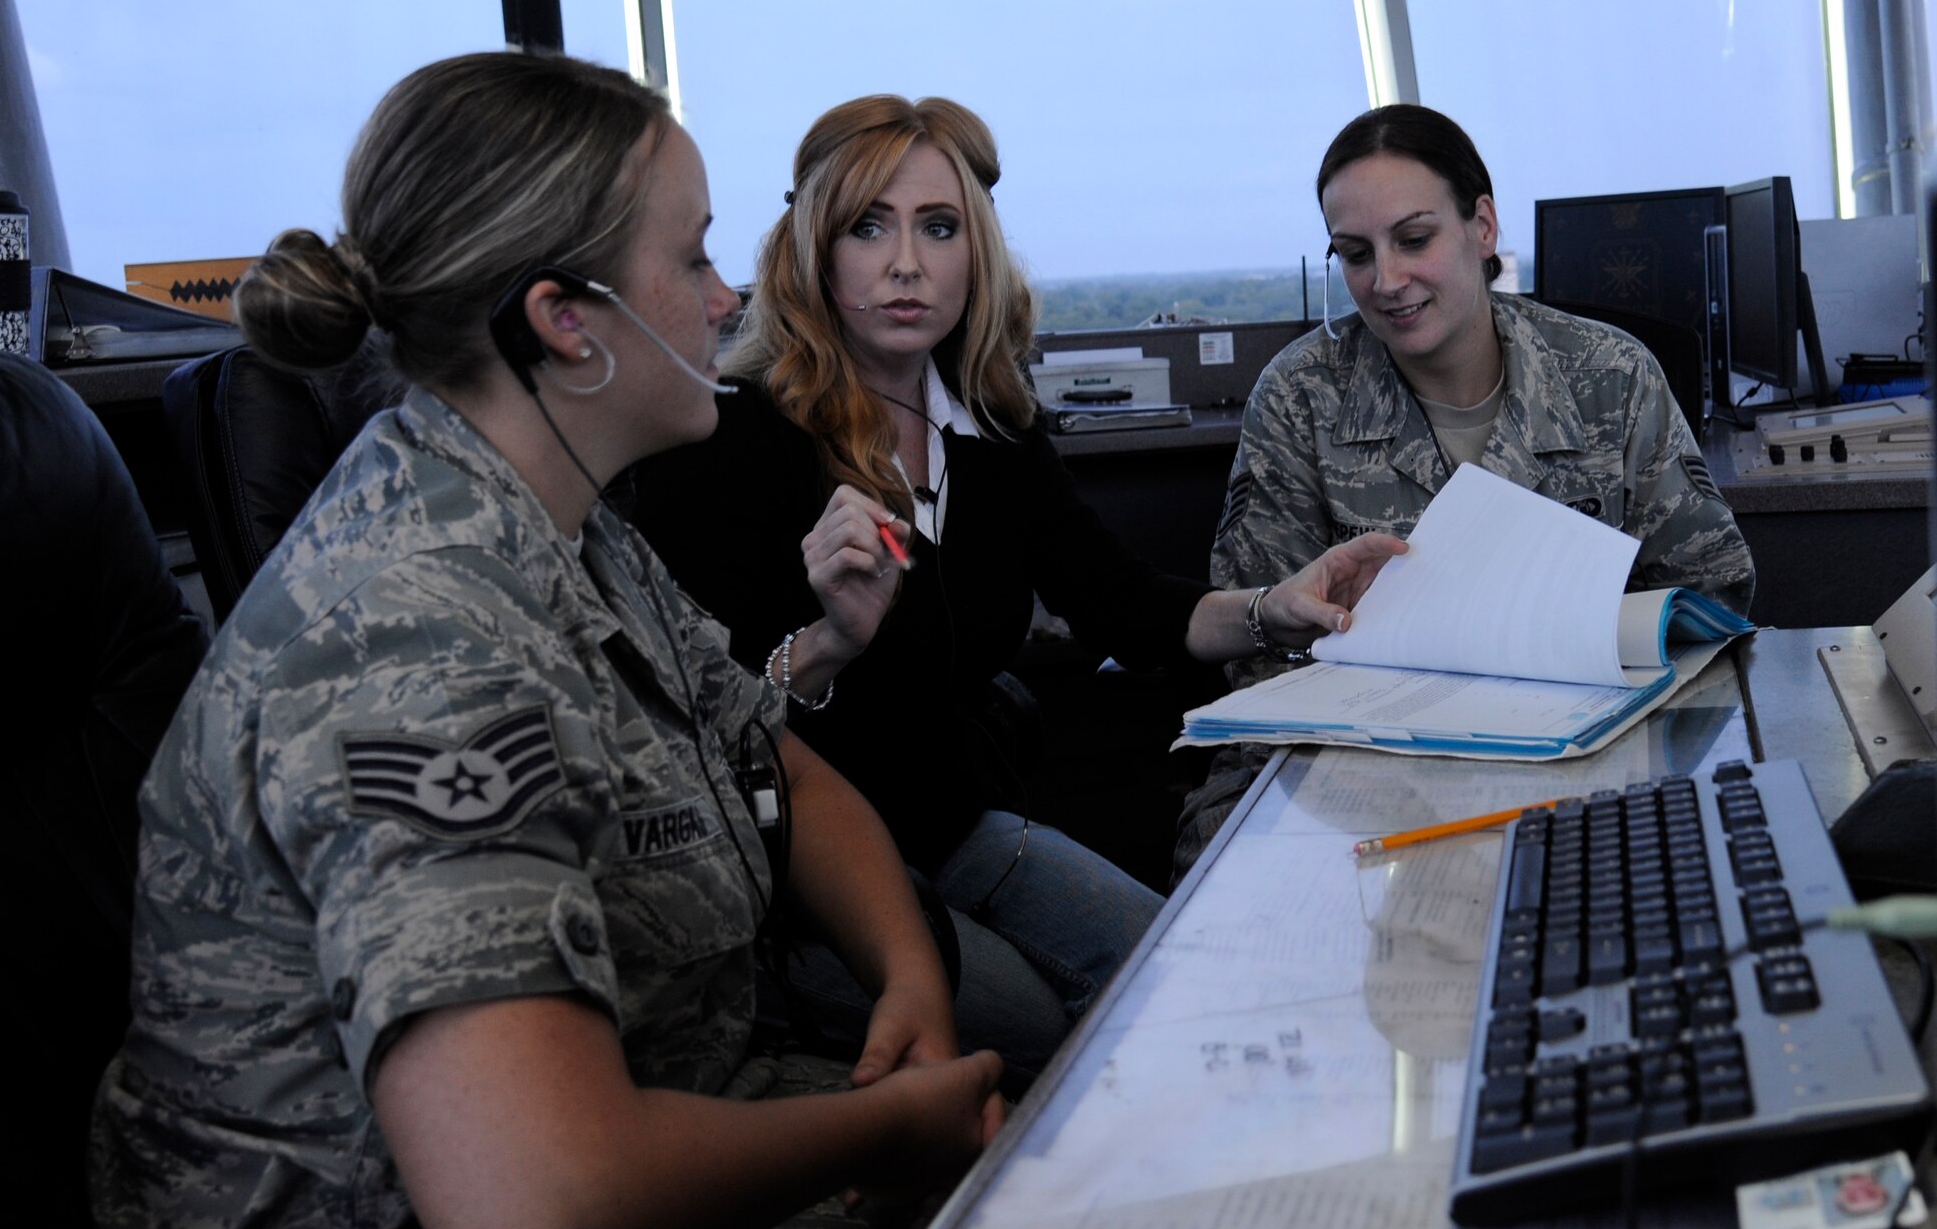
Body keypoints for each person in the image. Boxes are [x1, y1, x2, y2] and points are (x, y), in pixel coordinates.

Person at [88, 53, 1010, 1229]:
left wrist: (910, 982)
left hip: (673, 1123)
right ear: (567, 320)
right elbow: (541, 1203)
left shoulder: (564, 519)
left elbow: (770, 763)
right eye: (690, 260)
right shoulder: (418, 641)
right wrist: (888, 1125)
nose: (726, 294)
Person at [629, 95, 1406, 1074]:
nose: (905, 262)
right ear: (814, 250)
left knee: (1192, 980)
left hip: (956, 828)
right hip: (799, 882)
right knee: (1062, 1044)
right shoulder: (735, 436)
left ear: (975, 253)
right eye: (868, 226)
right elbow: (694, 731)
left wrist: (1270, 609)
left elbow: (1118, 599)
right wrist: (828, 640)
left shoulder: (989, 430)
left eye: (938, 227)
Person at [1172, 104, 1756, 881]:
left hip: (1573, 764)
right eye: (1355, 254)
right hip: (1347, 778)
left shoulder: (1608, 378)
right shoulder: (1301, 395)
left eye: (1414, 240)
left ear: (1482, 227)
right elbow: (1258, 651)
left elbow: (1712, 601)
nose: (1385, 281)